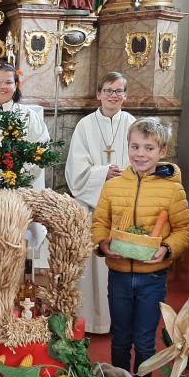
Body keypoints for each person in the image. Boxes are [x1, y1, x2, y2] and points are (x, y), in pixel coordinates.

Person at [91, 118, 189, 377]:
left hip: (153, 277)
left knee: (145, 340)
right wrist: (102, 243)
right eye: (135, 146)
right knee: (121, 338)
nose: (141, 154)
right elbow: (100, 222)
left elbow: (186, 230)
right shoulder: (114, 186)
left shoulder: (172, 189)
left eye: (149, 148)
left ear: (162, 152)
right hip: (119, 276)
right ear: (127, 147)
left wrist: (166, 248)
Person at [65, 72, 137, 333]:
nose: (113, 96)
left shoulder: (132, 124)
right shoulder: (85, 125)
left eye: (119, 91)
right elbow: (75, 168)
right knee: (92, 266)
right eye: (108, 90)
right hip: (92, 205)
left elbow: (141, 159)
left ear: (125, 96)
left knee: (120, 263)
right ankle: (91, 320)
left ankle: (118, 322)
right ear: (98, 94)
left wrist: (124, 179)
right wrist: (102, 173)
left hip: (123, 206)